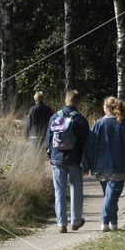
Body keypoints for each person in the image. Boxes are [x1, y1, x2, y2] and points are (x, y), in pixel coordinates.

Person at [81, 96, 125, 232]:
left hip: (101, 167)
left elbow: (89, 146)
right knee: (111, 197)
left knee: (110, 196)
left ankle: (108, 223)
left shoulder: (98, 124)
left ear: (107, 108)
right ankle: (111, 222)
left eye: (104, 106)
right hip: (120, 167)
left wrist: (85, 165)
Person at [45, 90, 90, 233]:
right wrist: (85, 164)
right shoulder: (80, 120)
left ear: (66, 101)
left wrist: (51, 157)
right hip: (75, 160)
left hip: (57, 159)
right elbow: (85, 144)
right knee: (76, 189)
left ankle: (61, 224)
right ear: (78, 102)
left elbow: (48, 141)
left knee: (59, 191)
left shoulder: (54, 117)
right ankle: (76, 221)